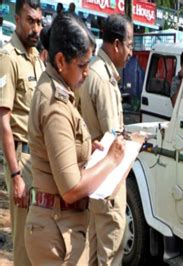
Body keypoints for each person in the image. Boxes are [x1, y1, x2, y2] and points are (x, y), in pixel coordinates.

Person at [24, 13, 125, 264]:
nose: (87, 73)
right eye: (82, 65)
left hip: (59, 227)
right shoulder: (56, 105)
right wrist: (111, 160)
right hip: (58, 232)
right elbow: (70, 189)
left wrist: (89, 150)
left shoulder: (58, 90)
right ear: (61, 61)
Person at [79, 14, 133, 266]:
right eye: (130, 45)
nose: (132, 52)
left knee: (93, 249)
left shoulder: (92, 72)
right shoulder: (104, 80)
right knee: (111, 249)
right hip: (107, 180)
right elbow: (114, 139)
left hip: (92, 177)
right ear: (116, 44)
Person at [0, 1, 43, 265]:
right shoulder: (8, 58)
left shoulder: (36, 57)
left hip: (37, 160)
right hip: (22, 161)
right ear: (17, 20)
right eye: (30, 21)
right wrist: (15, 176)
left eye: (39, 22)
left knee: (37, 238)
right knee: (23, 244)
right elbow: (3, 122)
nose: (36, 28)